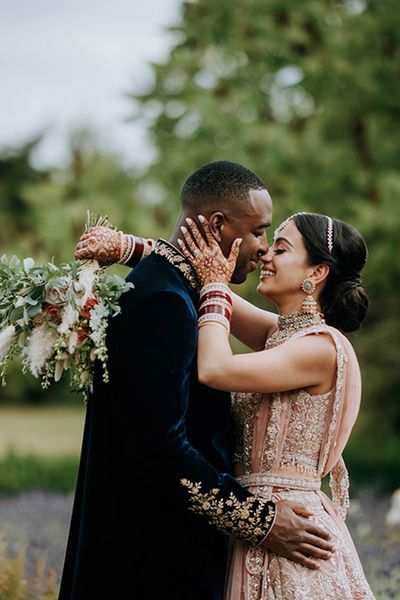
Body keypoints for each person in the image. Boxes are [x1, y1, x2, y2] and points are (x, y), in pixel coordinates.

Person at [61, 161, 334, 600]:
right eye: (259, 232)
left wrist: (135, 247)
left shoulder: (181, 289)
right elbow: (160, 447)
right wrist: (258, 520)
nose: (263, 249)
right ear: (218, 226)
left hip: (168, 546)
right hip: (150, 560)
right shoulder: (166, 301)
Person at [176, 212, 375, 599]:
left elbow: (215, 368)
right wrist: (127, 247)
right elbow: (201, 276)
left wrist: (216, 284)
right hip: (252, 521)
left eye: (280, 249)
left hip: (292, 533)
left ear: (316, 272)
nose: (265, 253)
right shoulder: (279, 336)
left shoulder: (321, 349)